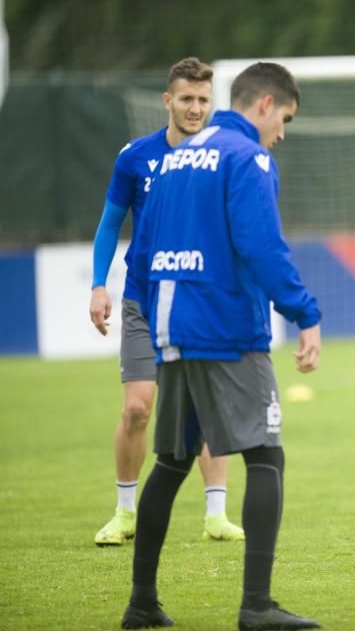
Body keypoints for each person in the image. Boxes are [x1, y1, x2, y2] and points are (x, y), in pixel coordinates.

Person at [120, 62, 323, 631]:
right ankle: (257, 606)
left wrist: (154, 320)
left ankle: (141, 604)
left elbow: (142, 249)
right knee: (267, 455)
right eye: (283, 118)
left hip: (171, 327)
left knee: (173, 461)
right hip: (227, 328)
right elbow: (261, 245)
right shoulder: (247, 158)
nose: (281, 132)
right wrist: (305, 314)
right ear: (264, 105)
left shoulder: (174, 157)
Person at [90, 57, 244, 546]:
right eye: (187, 99)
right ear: (167, 101)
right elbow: (110, 223)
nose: (196, 108)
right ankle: (125, 510)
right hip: (143, 297)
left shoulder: (224, 155)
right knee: (138, 408)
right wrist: (99, 284)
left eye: (203, 100)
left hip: (199, 299)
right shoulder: (136, 157)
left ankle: (216, 513)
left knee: (207, 404)